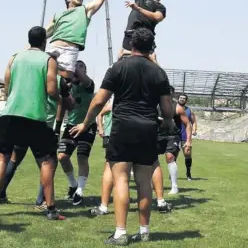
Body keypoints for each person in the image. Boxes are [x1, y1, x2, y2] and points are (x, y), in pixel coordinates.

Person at [70, 28, 174, 245]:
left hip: (123, 127)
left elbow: (99, 101)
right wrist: (165, 125)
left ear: (131, 45)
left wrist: (85, 123)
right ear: (151, 47)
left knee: (121, 180)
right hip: (148, 128)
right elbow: (167, 110)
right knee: (144, 182)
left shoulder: (118, 67)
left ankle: (120, 233)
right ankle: (144, 231)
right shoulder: (159, 73)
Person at [0, 26, 70, 221]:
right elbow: (51, 90)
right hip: (35, 115)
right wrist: (60, 97)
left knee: (2, 159)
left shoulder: (14, 57)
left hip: (11, 114)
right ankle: (50, 209)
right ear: (44, 42)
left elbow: (7, 85)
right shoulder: (48, 60)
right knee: (46, 162)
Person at [45, 0, 130, 80]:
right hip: (54, 46)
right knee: (42, 73)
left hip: (70, 50)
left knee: (66, 77)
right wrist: (28, 48)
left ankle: (53, 74)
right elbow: (44, 33)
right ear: (68, 0)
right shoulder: (58, 15)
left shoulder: (85, 10)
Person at [57, 60, 96, 206]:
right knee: (62, 157)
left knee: (82, 157)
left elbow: (80, 75)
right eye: (76, 67)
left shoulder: (89, 84)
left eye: (81, 67)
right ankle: (73, 184)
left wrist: (73, 66)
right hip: (71, 126)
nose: (77, 70)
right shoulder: (68, 86)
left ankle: (79, 191)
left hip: (87, 125)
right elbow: (62, 104)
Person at [117, 0, 167, 64]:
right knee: (121, 59)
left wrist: (138, 9)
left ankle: (160, 77)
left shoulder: (160, 7)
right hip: (130, 34)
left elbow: (157, 17)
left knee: (152, 61)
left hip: (145, 36)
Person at [154, 86, 192, 195]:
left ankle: (174, 186)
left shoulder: (177, 107)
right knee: (150, 159)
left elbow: (187, 124)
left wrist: (188, 140)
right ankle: (151, 183)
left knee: (170, 156)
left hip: (172, 136)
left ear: (172, 94)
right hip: (157, 136)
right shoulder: (155, 106)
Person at [89, 98, 114, 216]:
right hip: (110, 135)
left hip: (114, 135)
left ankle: (104, 206)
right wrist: (100, 127)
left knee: (110, 166)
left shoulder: (113, 103)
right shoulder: (110, 105)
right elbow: (99, 114)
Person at [177, 93, 197, 180]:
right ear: (178, 99)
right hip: (174, 136)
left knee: (187, 155)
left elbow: (194, 122)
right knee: (172, 156)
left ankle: (188, 173)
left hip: (186, 137)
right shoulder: (174, 109)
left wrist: (194, 130)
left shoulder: (189, 110)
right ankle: (172, 173)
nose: (182, 99)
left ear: (186, 100)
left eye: (184, 98)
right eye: (180, 98)